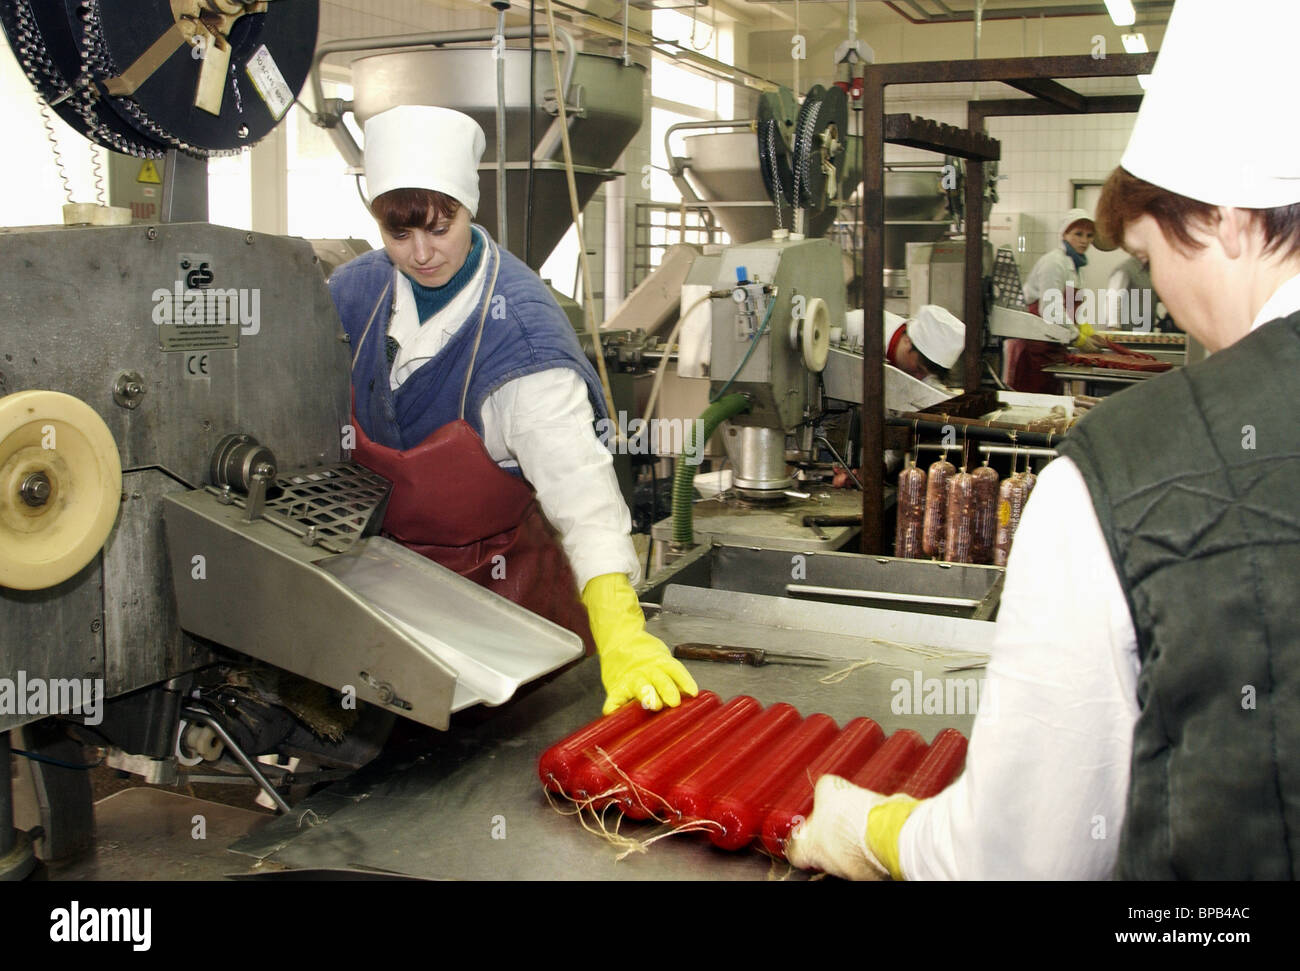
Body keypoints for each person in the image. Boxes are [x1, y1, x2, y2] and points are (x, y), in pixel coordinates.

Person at [787, 0, 1300, 880]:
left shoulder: (1118, 477)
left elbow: (1026, 856)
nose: (1166, 297)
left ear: (1221, 218)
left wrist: (878, 833)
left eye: (1148, 258)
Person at [328, 105, 697, 716]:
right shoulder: (354, 291)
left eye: (440, 228)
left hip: (499, 595)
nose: (421, 253)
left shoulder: (520, 334)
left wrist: (621, 630)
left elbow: (580, 486)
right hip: (377, 580)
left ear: (469, 208)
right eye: (399, 235)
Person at [1003, 208, 1102, 392]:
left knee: (1051, 394)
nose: (1084, 240)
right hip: (1037, 342)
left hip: (1055, 343)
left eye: (1089, 236)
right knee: (1034, 394)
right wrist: (1077, 337)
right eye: (1078, 234)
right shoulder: (1054, 262)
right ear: (1064, 233)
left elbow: (1074, 307)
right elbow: (1051, 308)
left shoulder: (1076, 264)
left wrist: (1085, 328)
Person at [884, 306, 965, 388]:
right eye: (918, 369)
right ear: (908, 340)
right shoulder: (874, 332)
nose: (920, 379)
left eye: (929, 376)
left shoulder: (924, 374)